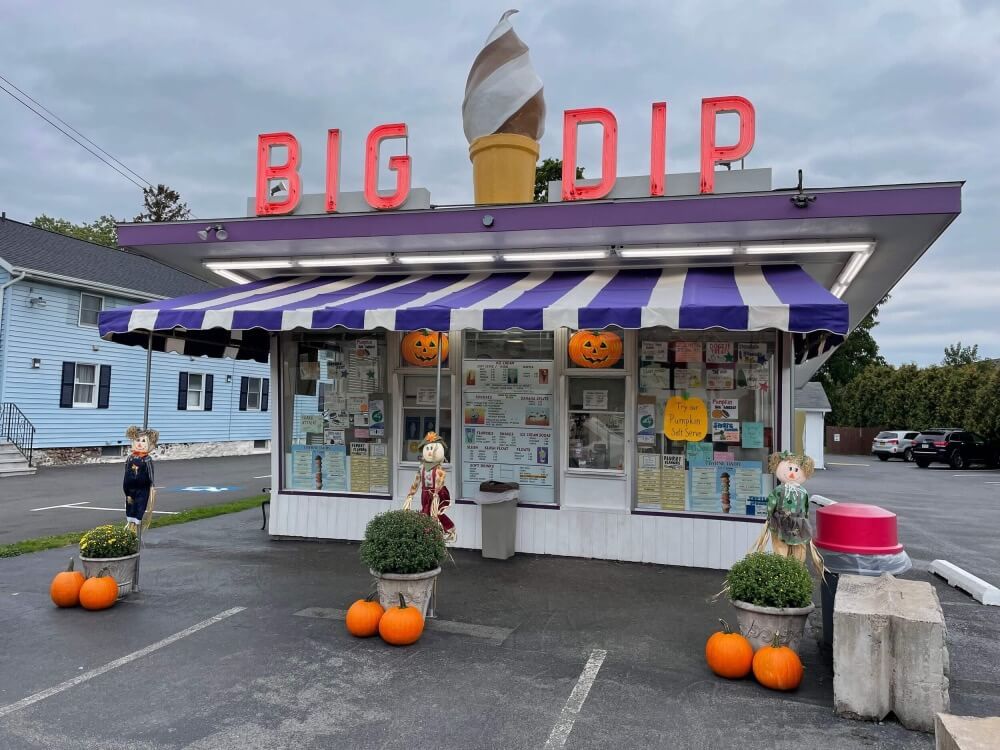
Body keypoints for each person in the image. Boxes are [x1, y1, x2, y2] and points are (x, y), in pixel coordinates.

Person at [404, 431, 456, 543]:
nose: (429, 452)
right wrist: (410, 495)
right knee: (425, 511)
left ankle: (441, 531)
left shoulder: (439, 469)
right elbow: (416, 482)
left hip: (436, 494)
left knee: (434, 513)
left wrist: (436, 493)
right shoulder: (421, 468)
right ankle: (428, 534)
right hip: (425, 493)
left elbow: (440, 482)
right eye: (427, 449)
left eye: (432, 449)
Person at [123, 426, 158, 529]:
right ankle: (130, 521)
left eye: (143, 441)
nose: (139, 443)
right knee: (130, 503)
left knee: (140, 503)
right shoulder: (130, 457)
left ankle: (137, 521)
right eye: (138, 440)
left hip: (142, 487)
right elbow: (126, 470)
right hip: (129, 486)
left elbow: (151, 472)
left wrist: (152, 485)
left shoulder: (147, 459)